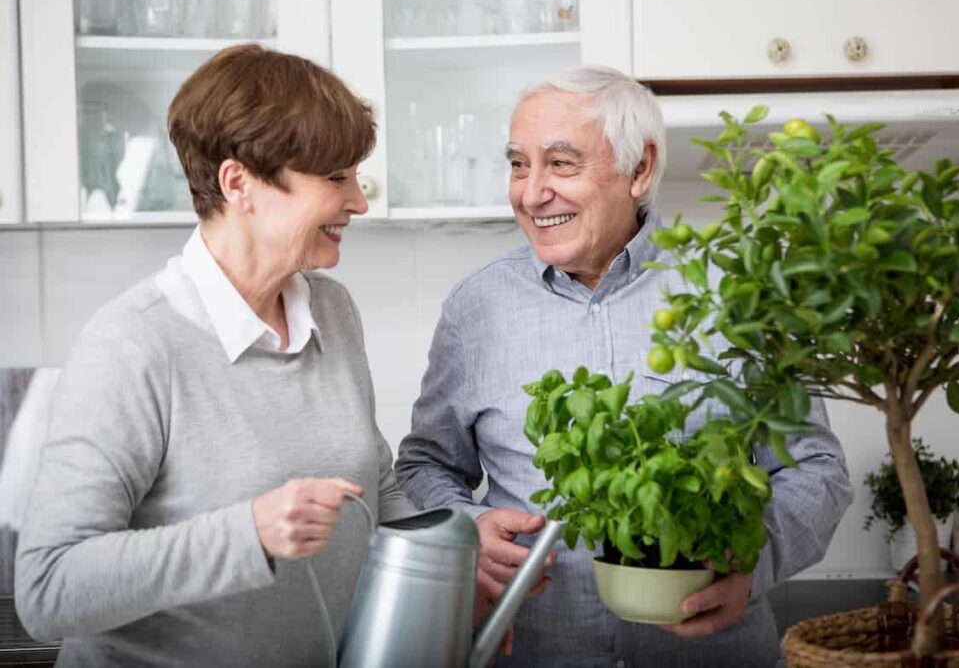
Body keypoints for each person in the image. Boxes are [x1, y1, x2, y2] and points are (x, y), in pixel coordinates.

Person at [395, 66, 854, 667]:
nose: (531, 193)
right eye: (517, 164)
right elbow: (425, 464)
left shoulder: (734, 294)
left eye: (561, 164)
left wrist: (753, 561)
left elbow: (816, 467)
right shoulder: (475, 308)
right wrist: (467, 530)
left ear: (639, 169)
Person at [15, 44, 415, 666]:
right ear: (240, 184)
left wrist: (454, 544)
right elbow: (48, 588)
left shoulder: (332, 312)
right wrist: (247, 534)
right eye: (336, 177)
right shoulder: (133, 344)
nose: (359, 201)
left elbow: (374, 484)